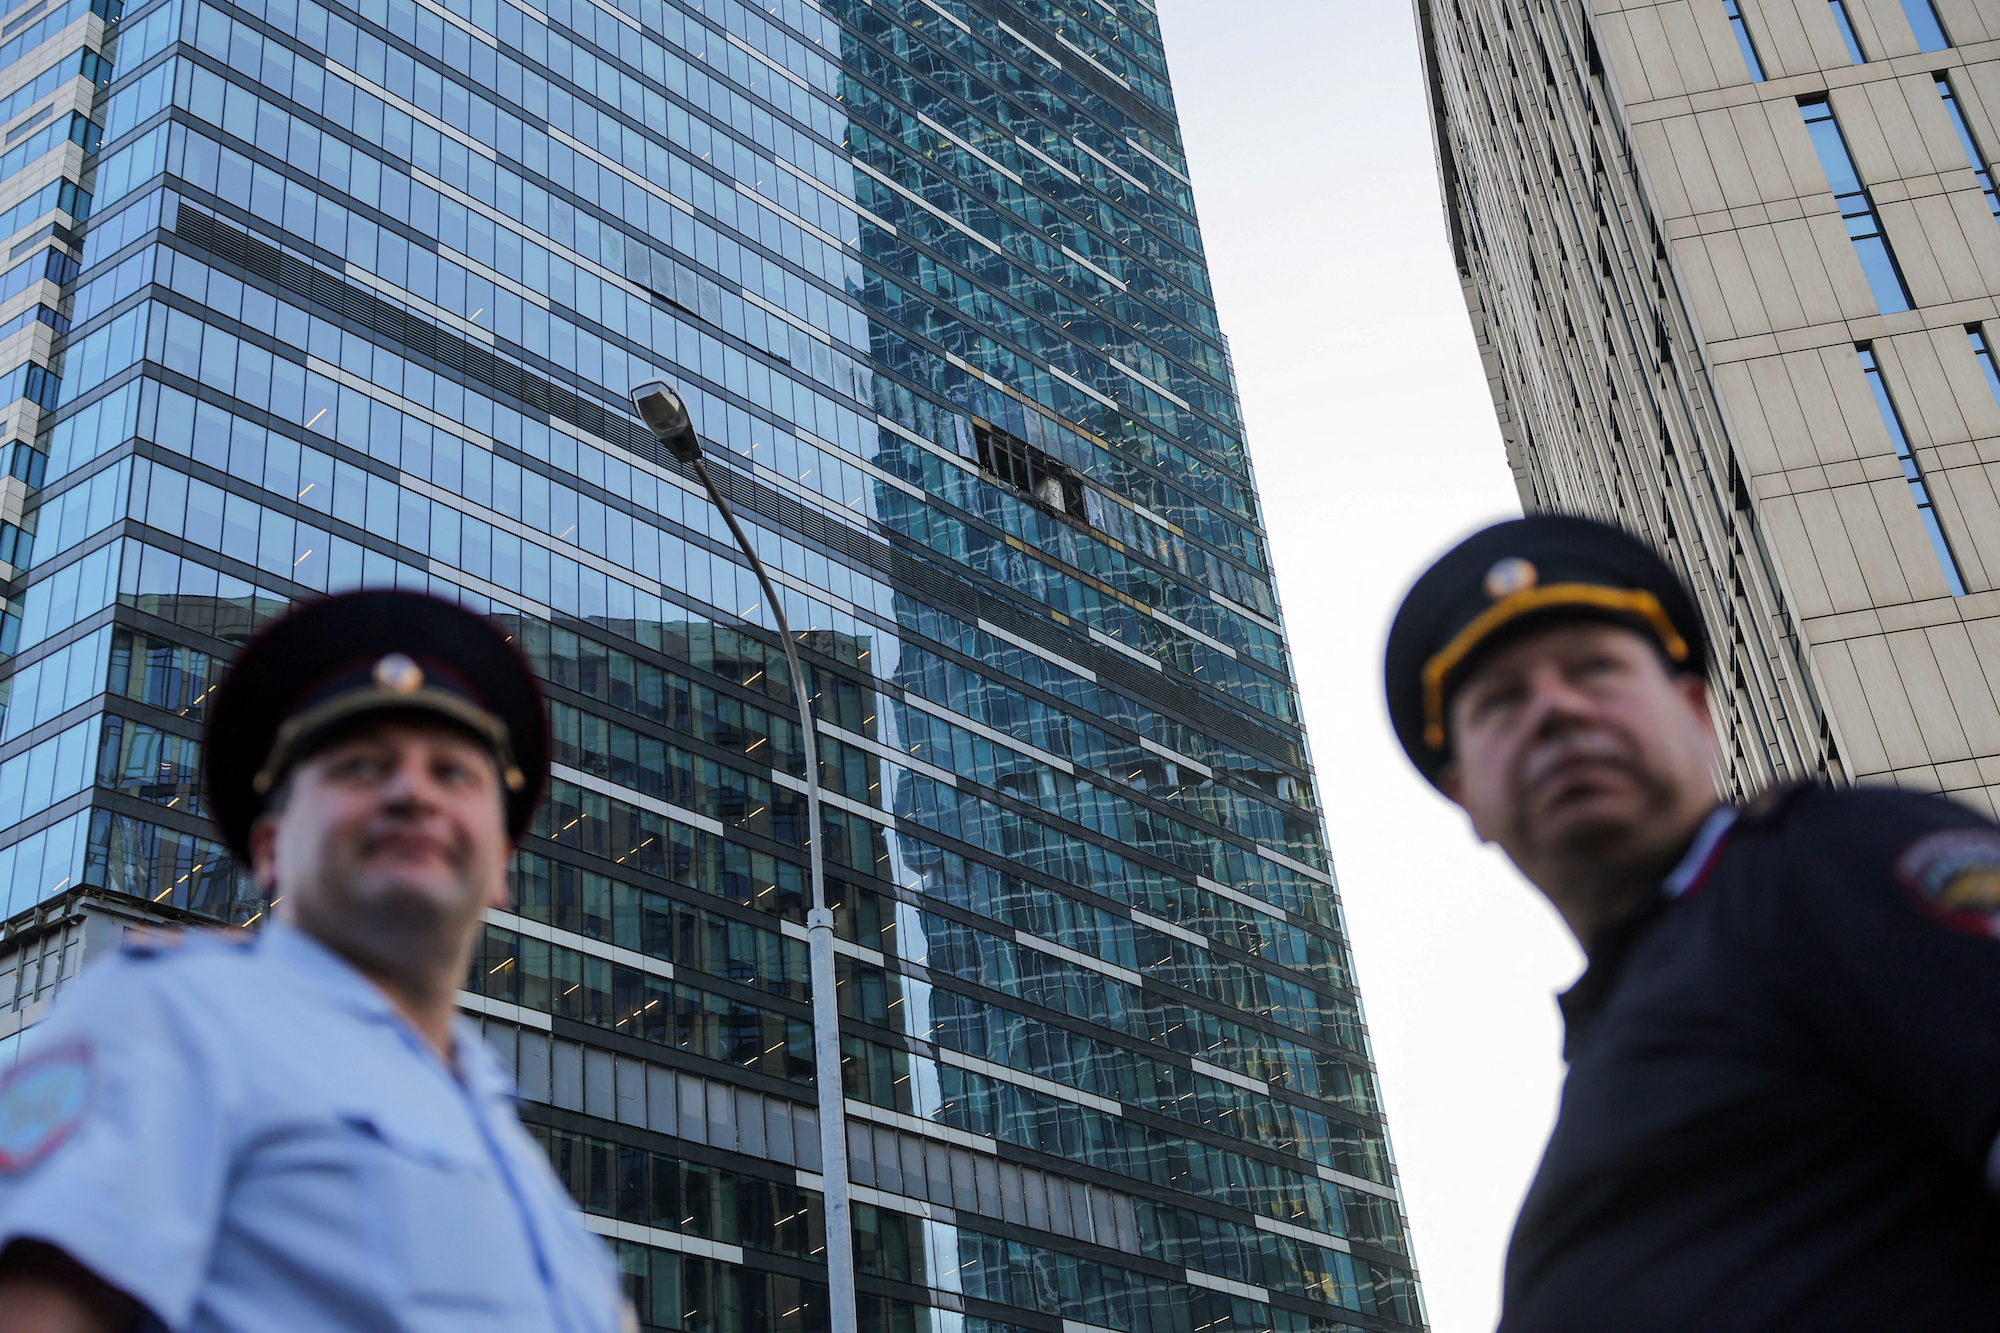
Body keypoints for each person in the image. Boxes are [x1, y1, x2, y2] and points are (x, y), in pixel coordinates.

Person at [1384, 513, 2000, 1332]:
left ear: (1696, 713)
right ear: (1466, 795)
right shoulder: (1612, 1044)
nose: (1556, 710)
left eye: (1596, 670)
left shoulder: (1823, 858)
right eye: (1502, 701)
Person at [0, 591, 627, 1333]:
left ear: (499, 864)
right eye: (362, 766)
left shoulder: (515, 1152)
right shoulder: (174, 1013)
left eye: (453, 772)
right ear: (269, 848)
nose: (411, 792)